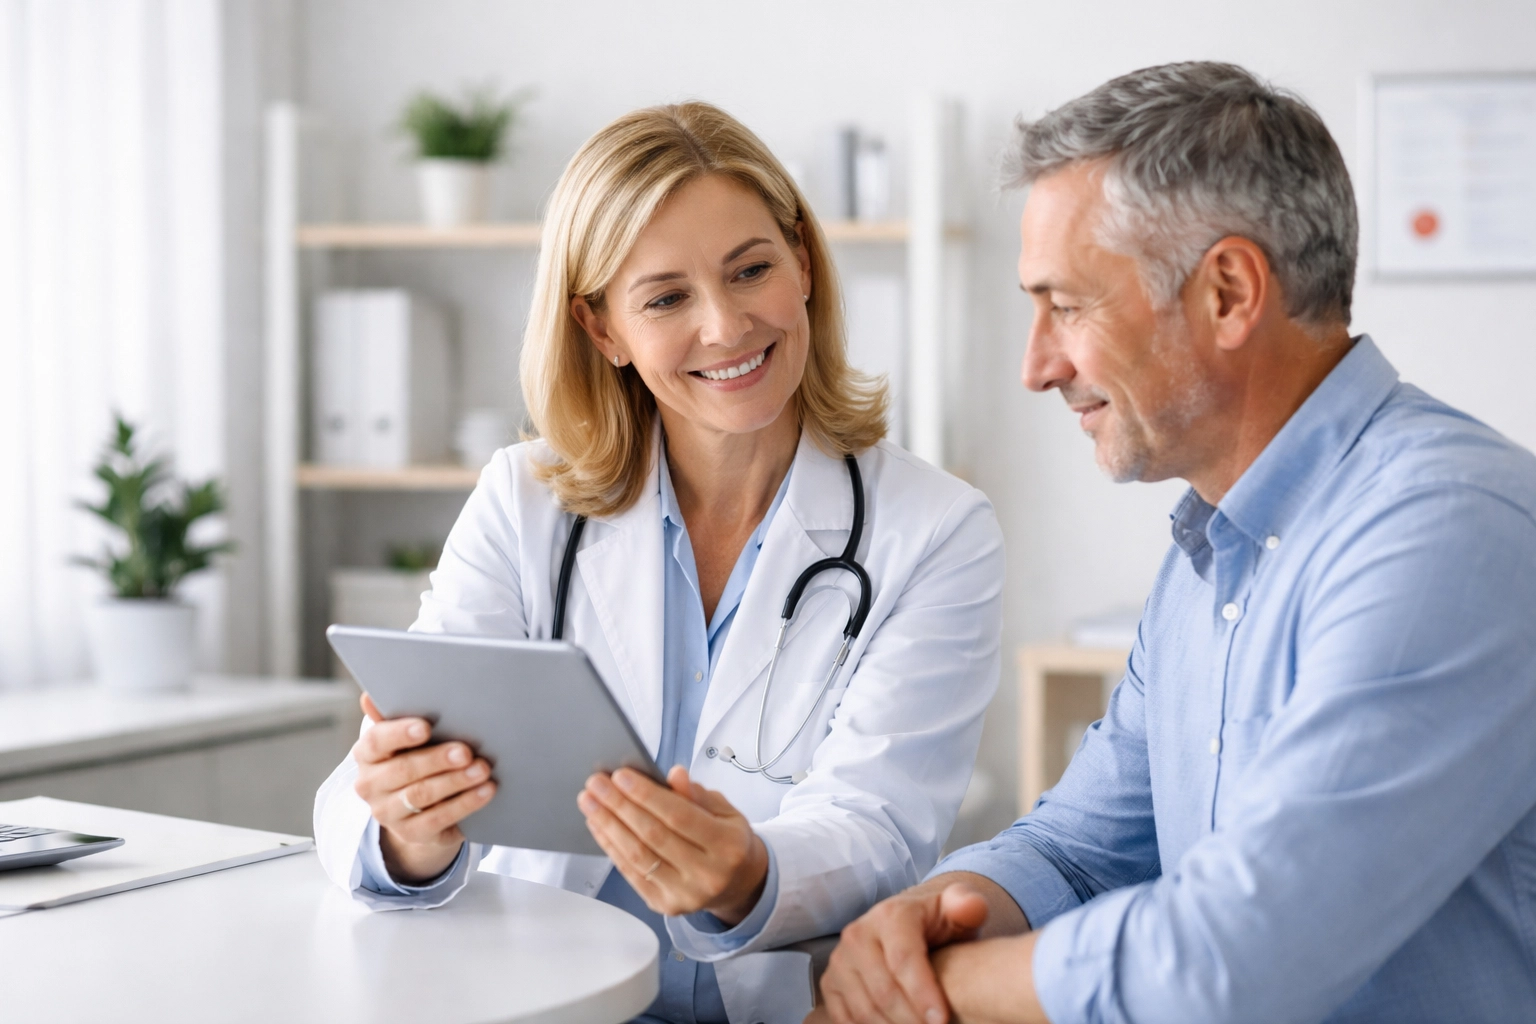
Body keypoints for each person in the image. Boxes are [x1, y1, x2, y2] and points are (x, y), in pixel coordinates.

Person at [817, 62, 1536, 1024]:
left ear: (1230, 292)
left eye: (1066, 305)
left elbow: (1238, 956)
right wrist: (921, 918)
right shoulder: (1211, 552)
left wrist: (926, 988)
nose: (1037, 366)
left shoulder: (1446, 531)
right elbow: (1080, 847)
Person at [312, 101, 1005, 1024]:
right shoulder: (524, 503)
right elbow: (356, 794)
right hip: (539, 997)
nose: (725, 327)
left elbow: (880, 825)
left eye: (751, 270)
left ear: (802, 264)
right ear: (604, 331)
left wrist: (749, 871)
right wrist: (407, 828)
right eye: (667, 297)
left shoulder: (937, 529)